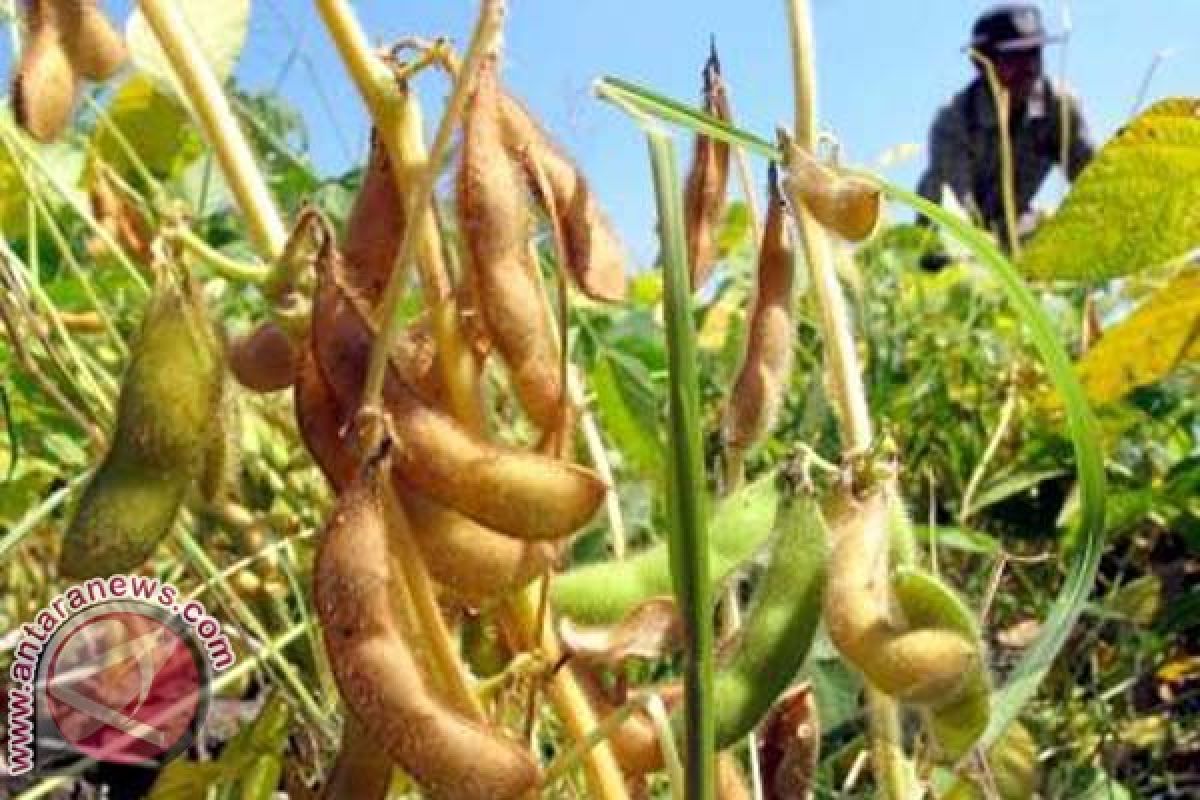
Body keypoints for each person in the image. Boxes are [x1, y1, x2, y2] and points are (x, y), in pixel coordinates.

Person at [916, 3, 1095, 268]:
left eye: (1035, 54)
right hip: (948, 241)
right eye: (1013, 58)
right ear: (980, 63)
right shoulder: (955, 121)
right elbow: (956, 214)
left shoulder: (1057, 107)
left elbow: (1094, 184)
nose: (1030, 67)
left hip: (1011, 230)